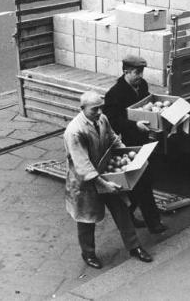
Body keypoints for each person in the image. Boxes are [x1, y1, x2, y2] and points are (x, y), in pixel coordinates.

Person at [64, 91, 153, 269]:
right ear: (82, 109)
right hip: (85, 182)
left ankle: (134, 247)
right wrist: (104, 184)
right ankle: (88, 254)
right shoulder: (75, 131)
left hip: (106, 172)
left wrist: (128, 155)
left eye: (100, 108)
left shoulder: (102, 118)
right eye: (94, 109)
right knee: (86, 219)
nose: (99, 112)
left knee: (122, 211)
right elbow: (83, 165)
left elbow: (113, 139)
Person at [103, 56, 167, 235]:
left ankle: (129, 214)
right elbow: (112, 121)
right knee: (144, 183)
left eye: (141, 72)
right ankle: (154, 224)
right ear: (125, 72)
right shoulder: (114, 94)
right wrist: (134, 125)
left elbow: (147, 104)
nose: (140, 75)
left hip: (145, 140)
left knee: (139, 183)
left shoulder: (142, 85)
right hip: (129, 144)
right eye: (136, 72)